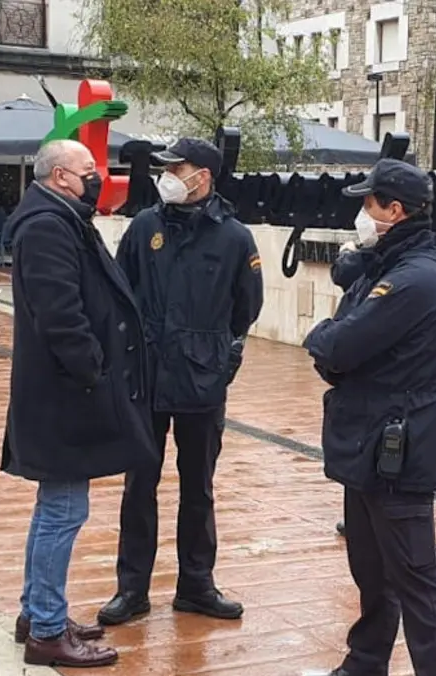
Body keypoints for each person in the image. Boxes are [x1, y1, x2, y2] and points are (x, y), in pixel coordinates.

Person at [298, 159, 436, 676]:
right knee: (371, 568)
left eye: (369, 204)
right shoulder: (387, 266)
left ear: (395, 210)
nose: (361, 214)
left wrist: (324, 339)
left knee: (415, 576)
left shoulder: (415, 279)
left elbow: (339, 344)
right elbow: (347, 334)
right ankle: (367, 668)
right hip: (368, 436)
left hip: (398, 444)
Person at [1, 139, 156, 668]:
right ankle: (46, 629)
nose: (99, 177)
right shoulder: (48, 226)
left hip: (64, 390)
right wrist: (93, 369)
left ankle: (37, 611)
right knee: (64, 510)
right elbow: (61, 314)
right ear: (62, 175)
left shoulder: (62, 217)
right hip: (65, 394)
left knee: (55, 508)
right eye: (90, 170)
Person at [99, 138, 264, 627]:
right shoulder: (145, 226)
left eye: (179, 167)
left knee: (199, 488)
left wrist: (216, 356)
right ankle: (132, 589)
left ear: (204, 177)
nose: (168, 174)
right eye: (167, 166)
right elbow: (119, 291)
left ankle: (196, 585)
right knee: (138, 486)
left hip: (200, 381)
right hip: (146, 377)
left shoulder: (234, 237)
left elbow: (246, 308)